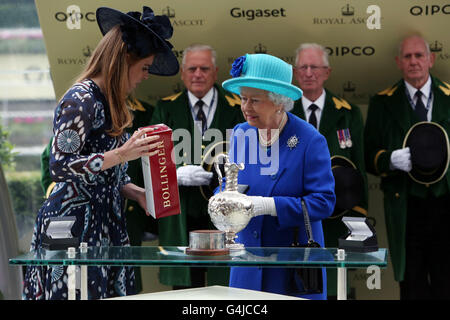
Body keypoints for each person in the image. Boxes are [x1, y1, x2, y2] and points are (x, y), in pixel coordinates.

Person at [22, 6, 179, 300]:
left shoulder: (111, 102)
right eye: (144, 67)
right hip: (69, 227)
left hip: (105, 226)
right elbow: (60, 166)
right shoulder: (81, 99)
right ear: (124, 60)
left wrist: (136, 192)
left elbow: (107, 176)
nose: (146, 76)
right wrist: (122, 154)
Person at [221, 53, 336, 300]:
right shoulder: (241, 134)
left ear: (279, 102)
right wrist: (221, 201)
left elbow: (324, 202)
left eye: (255, 100)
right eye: (243, 98)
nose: (246, 107)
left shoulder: (309, 140)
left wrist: (269, 206)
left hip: (291, 268)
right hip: (247, 267)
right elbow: (227, 184)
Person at [150, 44, 245, 289]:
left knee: (223, 284)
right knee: (184, 287)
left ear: (215, 72)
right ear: (182, 73)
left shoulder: (236, 108)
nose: (198, 74)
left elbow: (248, 156)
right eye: (192, 69)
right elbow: (149, 159)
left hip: (224, 212)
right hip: (181, 211)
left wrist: (218, 176)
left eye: (204, 68)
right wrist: (174, 174)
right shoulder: (166, 108)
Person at [364, 34, 450, 299]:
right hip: (406, 205)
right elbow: (368, 155)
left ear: (431, 59)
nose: (414, 62)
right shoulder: (382, 102)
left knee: (447, 281)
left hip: (446, 203)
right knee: (411, 283)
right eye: (408, 57)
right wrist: (388, 160)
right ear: (399, 62)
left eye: (419, 55)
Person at [290, 43, 368, 298]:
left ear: (327, 72)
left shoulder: (347, 113)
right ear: (295, 71)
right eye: (303, 67)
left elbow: (360, 172)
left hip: (339, 220)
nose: (309, 72)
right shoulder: (283, 112)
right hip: (298, 217)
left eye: (315, 67)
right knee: (299, 288)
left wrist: (357, 221)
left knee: (337, 288)